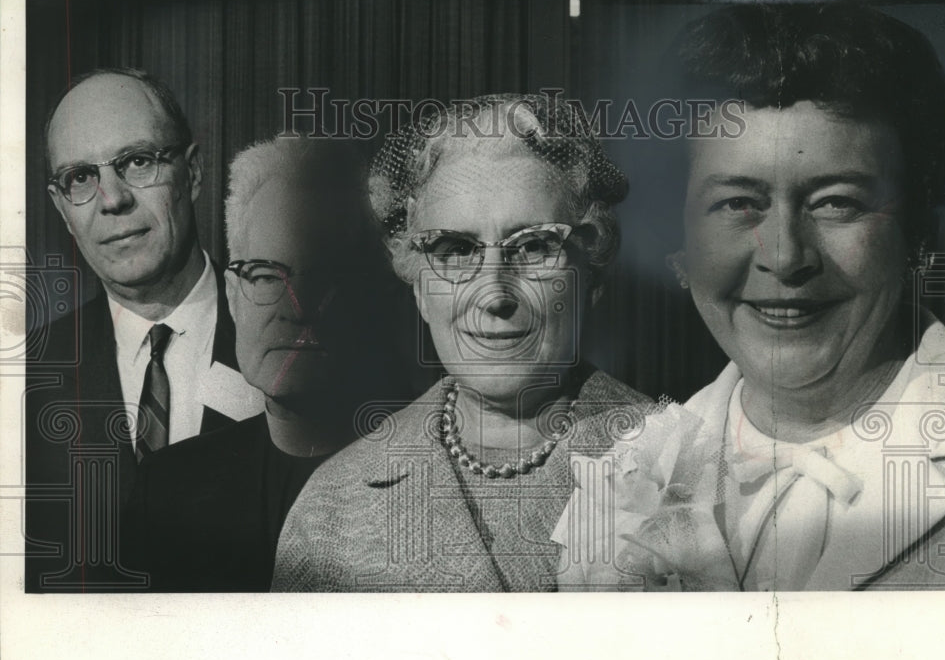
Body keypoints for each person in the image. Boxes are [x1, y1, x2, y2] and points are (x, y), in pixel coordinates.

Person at [630, 2, 945, 591]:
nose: (786, 256)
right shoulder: (628, 470)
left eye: (837, 201)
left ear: (918, 227)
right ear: (682, 243)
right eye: (739, 203)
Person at [272, 93, 661, 592]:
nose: (494, 293)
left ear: (588, 271)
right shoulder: (333, 506)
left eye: (534, 245)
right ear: (417, 284)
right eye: (455, 250)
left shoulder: (685, 464)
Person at [125, 136, 407, 591]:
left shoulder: (432, 479)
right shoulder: (166, 489)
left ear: (376, 296)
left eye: (326, 274)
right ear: (232, 297)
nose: (295, 307)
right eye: (263, 275)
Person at [24, 68, 262, 592]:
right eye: (80, 178)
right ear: (62, 208)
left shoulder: (292, 342)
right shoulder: (25, 381)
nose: (112, 200)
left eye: (136, 162)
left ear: (193, 173)